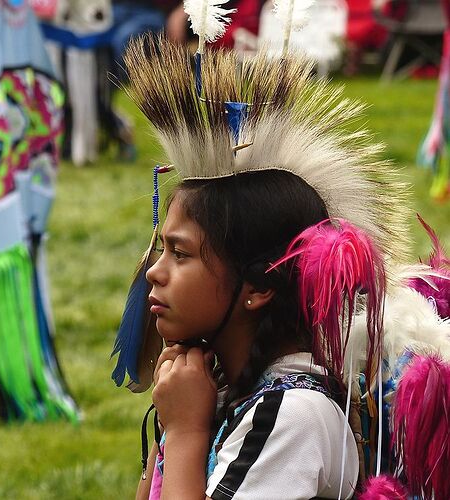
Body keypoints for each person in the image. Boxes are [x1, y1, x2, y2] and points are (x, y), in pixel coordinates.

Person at [114, 32, 413, 499]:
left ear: (258, 287)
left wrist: (188, 433)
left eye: (181, 253)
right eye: (162, 251)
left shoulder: (292, 415)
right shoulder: (219, 388)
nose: (155, 272)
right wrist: (176, 428)